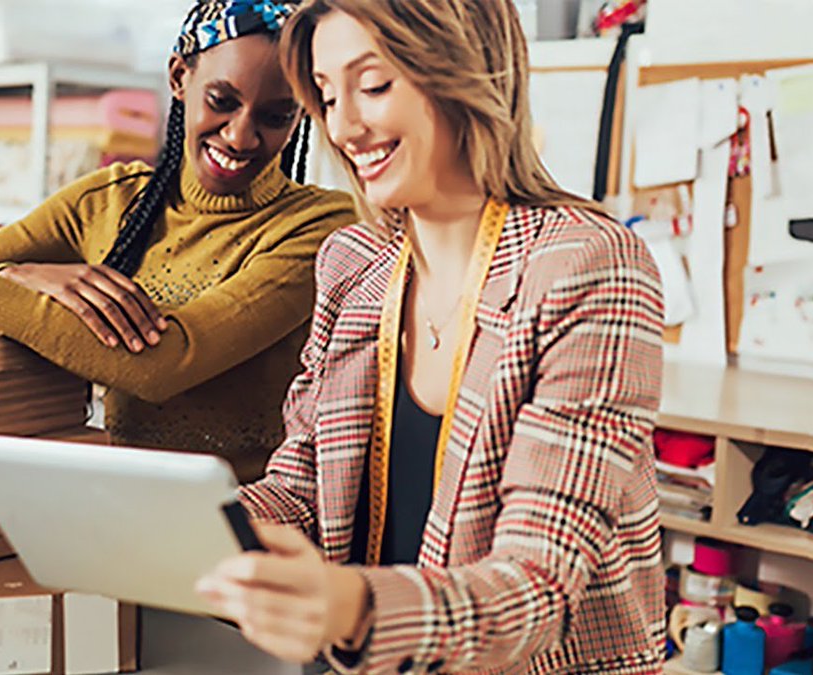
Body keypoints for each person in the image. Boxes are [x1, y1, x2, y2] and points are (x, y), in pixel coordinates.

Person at [195, 1, 666, 672]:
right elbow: (302, 491)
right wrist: (182, 528)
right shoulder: (353, 264)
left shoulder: (586, 265)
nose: (344, 127)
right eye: (328, 96)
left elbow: (536, 588)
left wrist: (351, 607)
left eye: (373, 85)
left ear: (462, 70)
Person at [0, 0, 356, 482]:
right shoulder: (109, 200)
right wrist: (14, 276)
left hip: (245, 524)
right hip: (109, 499)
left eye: (275, 116)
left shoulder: (317, 228)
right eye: (222, 100)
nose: (240, 135)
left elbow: (163, 363)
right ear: (179, 77)